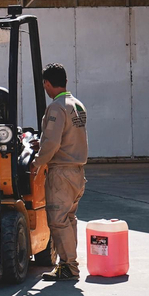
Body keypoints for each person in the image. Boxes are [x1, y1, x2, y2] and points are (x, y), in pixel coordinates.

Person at [33, 63, 88, 281]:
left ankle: (68, 266)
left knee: (57, 220)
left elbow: (53, 143)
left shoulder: (56, 107)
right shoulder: (77, 105)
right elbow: (68, 137)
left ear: (47, 83)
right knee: (69, 219)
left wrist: (37, 162)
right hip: (77, 172)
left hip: (61, 173)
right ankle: (69, 263)